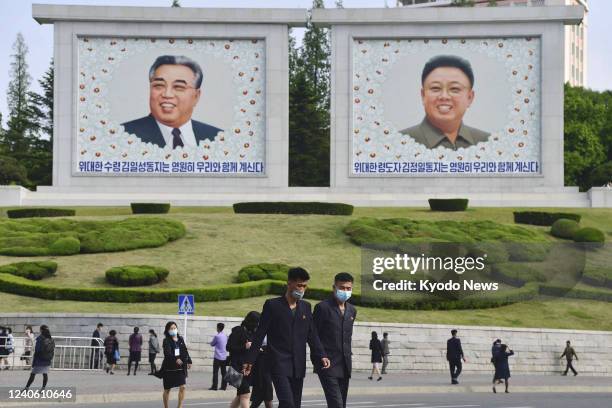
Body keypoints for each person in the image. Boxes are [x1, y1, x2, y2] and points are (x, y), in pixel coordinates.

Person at [243, 267, 330, 408]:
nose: (302, 289)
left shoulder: (306, 307)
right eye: (299, 285)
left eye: (304, 286)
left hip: (298, 365)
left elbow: (312, 334)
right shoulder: (272, 305)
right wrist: (250, 359)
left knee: (294, 405)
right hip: (278, 363)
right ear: (289, 283)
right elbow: (260, 333)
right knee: (287, 402)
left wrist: (322, 354)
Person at [122, 55, 222, 149]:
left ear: (196, 96)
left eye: (179, 87)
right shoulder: (124, 136)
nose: (167, 94)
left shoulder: (218, 138)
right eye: (159, 85)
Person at [399, 55, 490, 150]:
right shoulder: (400, 143)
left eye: (454, 89)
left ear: (470, 98)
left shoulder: (487, 143)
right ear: (423, 95)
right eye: (435, 88)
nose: (444, 96)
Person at [313, 272, 357, 408]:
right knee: (336, 404)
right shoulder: (323, 308)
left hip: (345, 365)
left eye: (348, 288)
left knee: (341, 404)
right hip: (327, 364)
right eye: (342, 288)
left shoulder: (352, 310)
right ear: (334, 288)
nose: (345, 291)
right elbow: (313, 336)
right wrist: (321, 356)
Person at [227, 312, 260, 408]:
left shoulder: (251, 332)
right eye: (257, 323)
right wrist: (244, 346)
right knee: (245, 395)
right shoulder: (238, 331)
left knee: (240, 396)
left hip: (246, 368)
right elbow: (229, 347)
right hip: (236, 368)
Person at [159, 321, 192, 408]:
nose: (173, 330)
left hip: (180, 367)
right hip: (169, 368)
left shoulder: (180, 339)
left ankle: (179, 407)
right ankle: (166, 406)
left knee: (183, 387)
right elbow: (167, 353)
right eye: (171, 328)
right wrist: (175, 359)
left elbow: (185, 350)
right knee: (167, 389)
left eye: (174, 328)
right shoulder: (166, 341)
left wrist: (189, 360)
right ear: (167, 330)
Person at [24, 325, 55, 390]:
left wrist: (34, 362)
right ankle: (43, 388)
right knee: (45, 374)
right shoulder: (50, 338)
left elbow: (37, 350)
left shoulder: (40, 338)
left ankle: (26, 388)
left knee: (33, 374)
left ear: (41, 330)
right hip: (48, 360)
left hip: (40, 360)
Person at [250, 335, 274, 408]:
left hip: (265, 360)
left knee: (263, 396)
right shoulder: (257, 331)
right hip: (260, 362)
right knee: (265, 394)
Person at [209, 322, 228, 391]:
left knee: (215, 372)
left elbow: (212, 344)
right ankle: (224, 387)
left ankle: (214, 386)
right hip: (224, 357)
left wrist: (211, 343)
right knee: (224, 373)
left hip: (217, 357)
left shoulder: (217, 336)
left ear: (218, 328)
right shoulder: (225, 336)